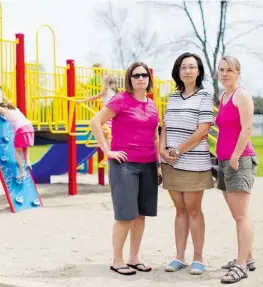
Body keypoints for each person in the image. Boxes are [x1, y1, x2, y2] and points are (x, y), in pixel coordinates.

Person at [90, 62, 160, 276]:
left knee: (140, 215)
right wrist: (106, 150)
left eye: (144, 75)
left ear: (149, 79)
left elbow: (155, 137)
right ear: (129, 79)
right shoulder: (120, 100)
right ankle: (117, 260)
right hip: (124, 164)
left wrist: (157, 165)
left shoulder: (152, 104)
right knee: (125, 215)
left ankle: (134, 258)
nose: (140, 78)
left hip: (148, 164)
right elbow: (96, 122)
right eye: (136, 75)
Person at [159, 52, 214, 275]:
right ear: (178, 71)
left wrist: (178, 150)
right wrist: (162, 151)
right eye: (183, 67)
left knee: (193, 210)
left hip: (194, 162)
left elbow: (203, 131)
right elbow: (165, 127)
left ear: (198, 71)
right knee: (179, 210)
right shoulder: (172, 97)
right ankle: (179, 256)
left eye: (192, 67)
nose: (187, 71)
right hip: (171, 163)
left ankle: (198, 258)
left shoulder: (204, 96)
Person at [216, 56, 257, 284]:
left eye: (228, 70)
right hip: (223, 161)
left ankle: (241, 266)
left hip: (238, 160)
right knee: (236, 214)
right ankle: (247, 258)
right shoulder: (223, 96)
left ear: (237, 72)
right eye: (221, 70)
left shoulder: (242, 95)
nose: (224, 74)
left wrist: (235, 155)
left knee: (241, 215)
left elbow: (247, 128)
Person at [0, 89, 34, 180]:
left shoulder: (5, 111)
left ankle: (22, 172)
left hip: (21, 129)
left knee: (17, 151)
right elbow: (9, 103)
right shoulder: (16, 109)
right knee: (25, 146)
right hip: (30, 127)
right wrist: (5, 98)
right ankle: (28, 162)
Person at [77, 74, 119, 140]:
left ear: (106, 83)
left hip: (106, 112)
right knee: (106, 131)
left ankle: (106, 137)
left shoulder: (106, 90)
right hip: (113, 114)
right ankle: (107, 143)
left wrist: (81, 101)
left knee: (95, 124)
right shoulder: (115, 92)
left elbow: (94, 97)